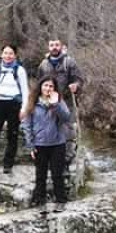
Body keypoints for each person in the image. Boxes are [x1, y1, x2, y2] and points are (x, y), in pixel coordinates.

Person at [22, 78, 72, 210]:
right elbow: (27, 125)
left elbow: (67, 118)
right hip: (40, 144)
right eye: (45, 85)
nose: (48, 88)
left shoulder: (59, 101)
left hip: (57, 143)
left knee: (57, 174)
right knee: (41, 174)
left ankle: (60, 200)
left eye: (51, 86)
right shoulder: (33, 101)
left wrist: (55, 104)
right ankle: (40, 202)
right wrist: (30, 145)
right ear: (41, 87)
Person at [36, 39, 85, 167]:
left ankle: (67, 159)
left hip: (66, 101)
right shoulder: (43, 64)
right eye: (52, 45)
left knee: (68, 130)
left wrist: (76, 85)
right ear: (48, 47)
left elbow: (79, 79)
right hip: (48, 103)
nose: (54, 47)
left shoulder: (69, 62)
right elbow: (38, 84)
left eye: (57, 45)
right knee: (49, 128)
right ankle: (50, 157)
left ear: (62, 46)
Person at [0, 45, 28, 174]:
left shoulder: (20, 70)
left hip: (14, 104)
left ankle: (8, 165)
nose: (8, 56)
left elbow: (25, 91)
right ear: (1, 54)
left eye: (11, 53)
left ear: (15, 55)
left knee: (12, 135)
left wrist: (23, 109)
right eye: (5, 53)